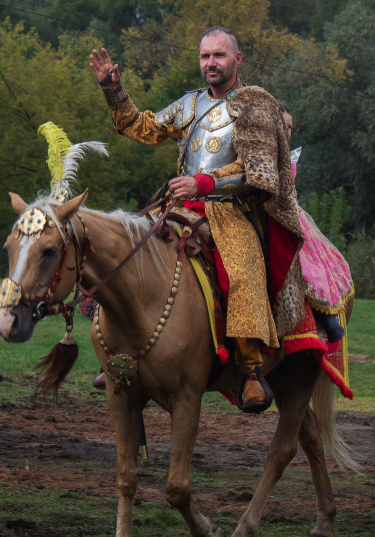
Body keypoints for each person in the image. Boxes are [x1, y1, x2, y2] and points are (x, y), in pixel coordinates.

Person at [89, 28, 306, 413]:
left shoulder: (256, 105)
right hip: (179, 206)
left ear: (237, 60)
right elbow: (143, 127)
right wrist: (113, 89)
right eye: (205, 56)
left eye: (219, 56)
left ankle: (251, 368)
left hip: (232, 211)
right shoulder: (189, 104)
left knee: (241, 271)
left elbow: (260, 171)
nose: (211, 63)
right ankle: (118, 353)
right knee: (121, 249)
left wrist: (203, 182)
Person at [278, 101, 350, 342]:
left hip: (286, 213)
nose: (286, 131)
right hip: (264, 209)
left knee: (305, 261)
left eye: (289, 127)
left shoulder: (288, 157)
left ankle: (323, 315)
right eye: (282, 125)